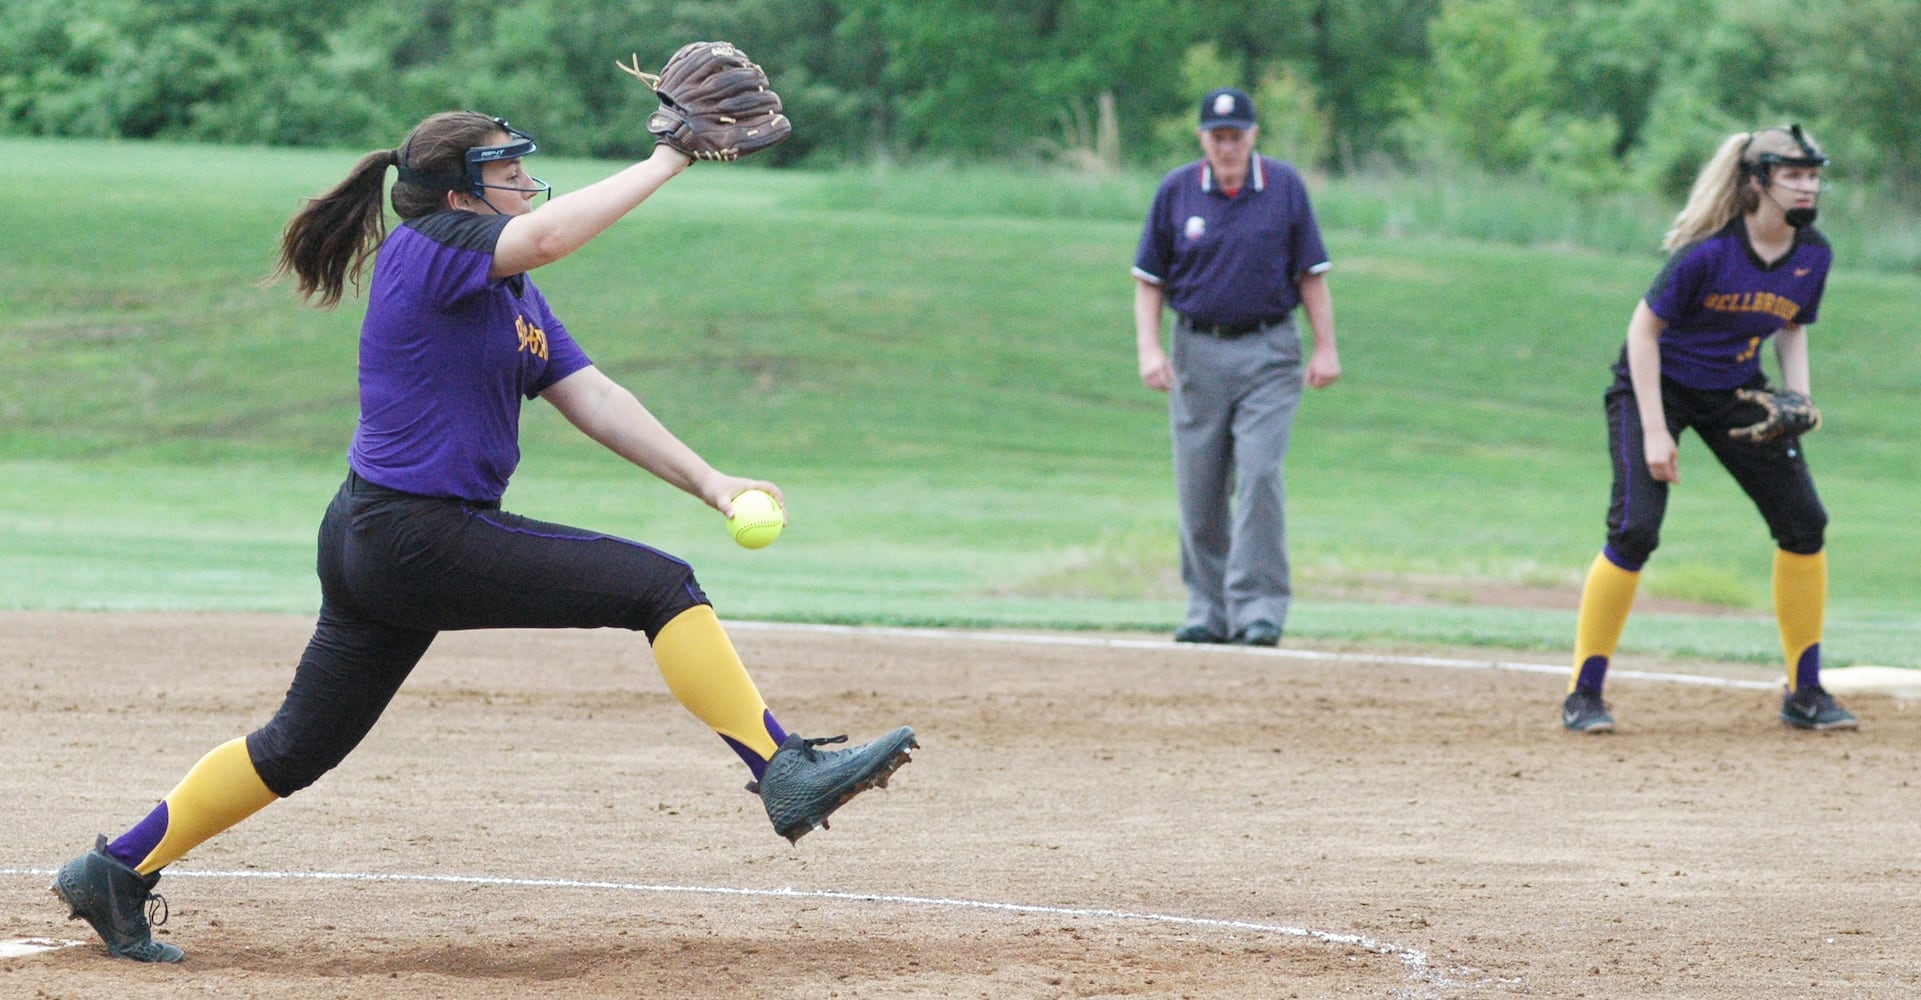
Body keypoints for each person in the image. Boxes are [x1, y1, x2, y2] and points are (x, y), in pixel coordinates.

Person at [49, 110, 917, 963]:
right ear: (460, 193)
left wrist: (712, 482)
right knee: (660, 588)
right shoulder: (426, 250)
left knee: (297, 747)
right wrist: (670, 158)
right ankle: (780, 769)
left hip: (382, 535)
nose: (521, 182)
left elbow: (591, 394)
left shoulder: (505, 290)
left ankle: (113, 869)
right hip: (413, 534)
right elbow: (544, 238)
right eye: (503, 170)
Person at [1560, 123, 1856, 734]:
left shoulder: (1813, 254)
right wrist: (1653, 431)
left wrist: (1798, 396)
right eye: (1793, 176)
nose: (1807, 187)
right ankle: (1583, 695)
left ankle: (1805, 694)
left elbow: (1792, 326)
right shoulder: (1708, 253)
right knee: (1635, 530)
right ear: (1757, 182)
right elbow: (1643, 335)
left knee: (1805, 524)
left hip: (1735, 390)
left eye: (1812, 176)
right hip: (1655, 389)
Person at [1131, 87, 1341, 647]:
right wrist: (1150, 350)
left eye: (1236, 135)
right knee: (1199, 485)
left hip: (1270, 349)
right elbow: (1149, 281)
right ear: (1203, 138)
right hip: (1196, 351)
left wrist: (1326, 347)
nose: (1227, 145)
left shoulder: (1284, 188)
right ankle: (1207, 606)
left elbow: (1311, 274)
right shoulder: (1176, 192)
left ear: (1252, 136)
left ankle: (1259, 608)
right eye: (1216, 136)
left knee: (1260, 474)